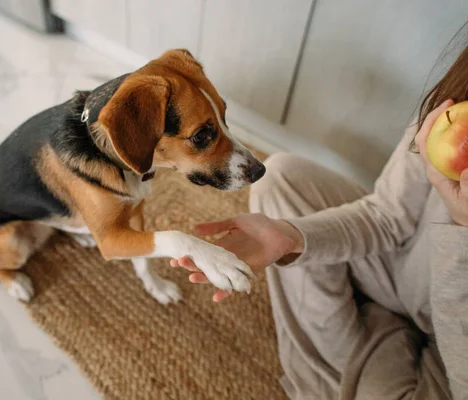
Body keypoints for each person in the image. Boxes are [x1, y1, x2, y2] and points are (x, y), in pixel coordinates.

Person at [170, 34, 468, 398]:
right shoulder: (457, 101)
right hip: (398, 271)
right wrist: (288, 235)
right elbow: (387, 216)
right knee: (280, 180)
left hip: (453, 352)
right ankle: (365, 343)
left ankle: (361, 350)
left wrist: (462, 227)